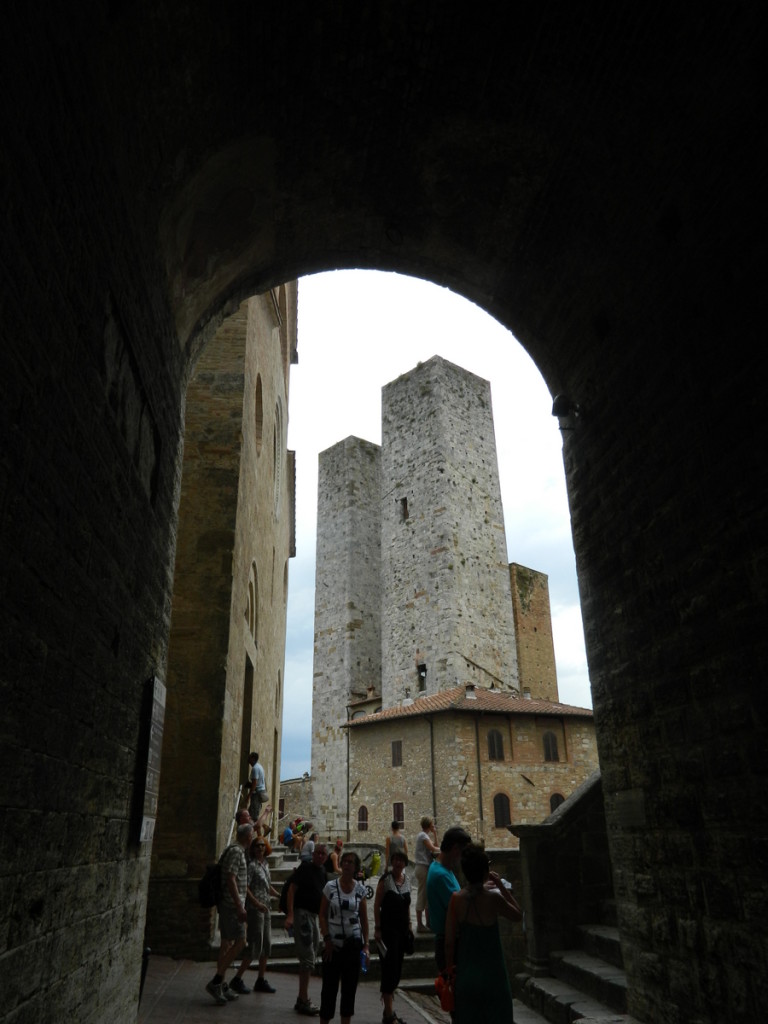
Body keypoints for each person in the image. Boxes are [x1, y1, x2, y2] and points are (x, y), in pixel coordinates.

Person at [444, 843, 522, 1022]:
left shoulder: (456, 900)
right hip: (494, 976)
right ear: (485, 871)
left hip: (467, 976)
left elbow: (449, 943)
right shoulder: (494, 899)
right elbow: (518, 914)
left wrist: (449, 973)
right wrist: (500, 886)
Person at [318, 849, 370, 1024]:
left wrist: (366, 946)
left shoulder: (360, 890)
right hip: (332, 945)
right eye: (345, 861)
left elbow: (364, 919)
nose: (347, 865)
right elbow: (322, 915)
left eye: (351, 862)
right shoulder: (330, 887)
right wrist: (326, 939)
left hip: (353, 946)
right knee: (328, 991)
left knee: (349, 991)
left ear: (356, 867)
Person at [205, 822, 253, 1005]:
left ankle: (222, 984)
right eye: (252, 835)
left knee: (227, 943)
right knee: (241, 941)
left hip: (229, 904)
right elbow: (231, 879)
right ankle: (217, 981)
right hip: (231, 905)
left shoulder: (236, 851)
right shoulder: (236, 852)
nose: (253, 838)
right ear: (247, 836)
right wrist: (239, 905)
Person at [231, 836, 281, 994]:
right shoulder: (251, 866)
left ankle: (260, 979)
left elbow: (268, 886)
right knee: (255, 944)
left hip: (265, 908)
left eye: (262, 845)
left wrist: (280, 896)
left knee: (266, 944)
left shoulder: (265, 864)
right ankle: (237, 979)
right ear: (252, 849)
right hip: (255, 909)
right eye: (257, 846)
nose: (260, 848)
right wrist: (256, 903)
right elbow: (245, 887)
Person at [285, 842, 329, 1015]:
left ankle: (301, 998)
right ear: (313, 854)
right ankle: (303, 1000)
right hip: (302, 916)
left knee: (311, 954)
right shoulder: (305, 869)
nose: (319, 856)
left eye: (322, 854)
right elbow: (291, 890)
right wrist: (290, 915)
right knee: (308, 958)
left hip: (313, 916)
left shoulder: (323, 872)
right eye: (317, 853)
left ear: (326, 857)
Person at [374, 849, 413, 1024]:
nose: (398, 863)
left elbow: (406, 906)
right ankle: (388, 1014)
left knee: (397, 969)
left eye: (401, 860)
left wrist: (411, 925)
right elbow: (376, 905)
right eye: (395, 860)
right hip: (388, 932)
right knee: (389, 969)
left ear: (405, 863)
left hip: (402, 931)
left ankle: (388, 1012)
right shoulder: (385, 881)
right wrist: (377, 928)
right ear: (392, 862)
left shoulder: (407, 880)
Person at [426, 826, 471, 974]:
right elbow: (461, 909)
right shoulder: (441, 875)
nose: (462, 858)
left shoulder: (438, 867)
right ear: (455, 849)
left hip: (446, 941)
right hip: (450, 944)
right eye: (462, 852)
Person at [413, 816, 440, 933]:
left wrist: (435, 834)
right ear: (429, 825)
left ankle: (428, 923)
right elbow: (434, 848)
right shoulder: (423, 836)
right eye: (432, 825)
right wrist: (444, 850)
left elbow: (435, 845)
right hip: (422, 868)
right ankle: (419, 925)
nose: (433, 826)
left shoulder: (424, 836)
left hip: (424, 868)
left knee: (427, 896)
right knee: (422, 895)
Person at [246, 751, 269, 822]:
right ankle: (263, 828)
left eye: (249, 757)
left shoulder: (255, 768)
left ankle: (261, 829)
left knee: (253, 817)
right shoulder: (259, 767)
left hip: (257, 794)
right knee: (252, 814)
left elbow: (255, 783)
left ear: (253, 758)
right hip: (260, 792)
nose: (248, 759)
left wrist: (248, 796)